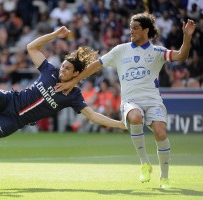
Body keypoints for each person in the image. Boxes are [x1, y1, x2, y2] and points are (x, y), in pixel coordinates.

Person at [54, 13, 196, 189]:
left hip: (153, 101)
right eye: (131, 27)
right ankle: (145, 163)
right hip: (130, 101)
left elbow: (181, 56)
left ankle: (164, 178)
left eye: (136, 28)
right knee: (135, 117)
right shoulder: (120, 50)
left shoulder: (157, 51)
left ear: (146, 30)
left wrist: (187, 36)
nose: (131, 31)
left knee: (160, 133)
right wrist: (74, 81)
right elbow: (96, 65)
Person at [0, 26, 126, 144]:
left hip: (14, 121)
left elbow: (93, 116)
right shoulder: (50, 72)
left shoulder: (73, 95)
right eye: (63, 66)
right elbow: (32, 47)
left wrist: (119, 124)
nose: (62, 70)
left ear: (76, 74)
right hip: (9, 99)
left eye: (67, 69)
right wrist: (54, 35)